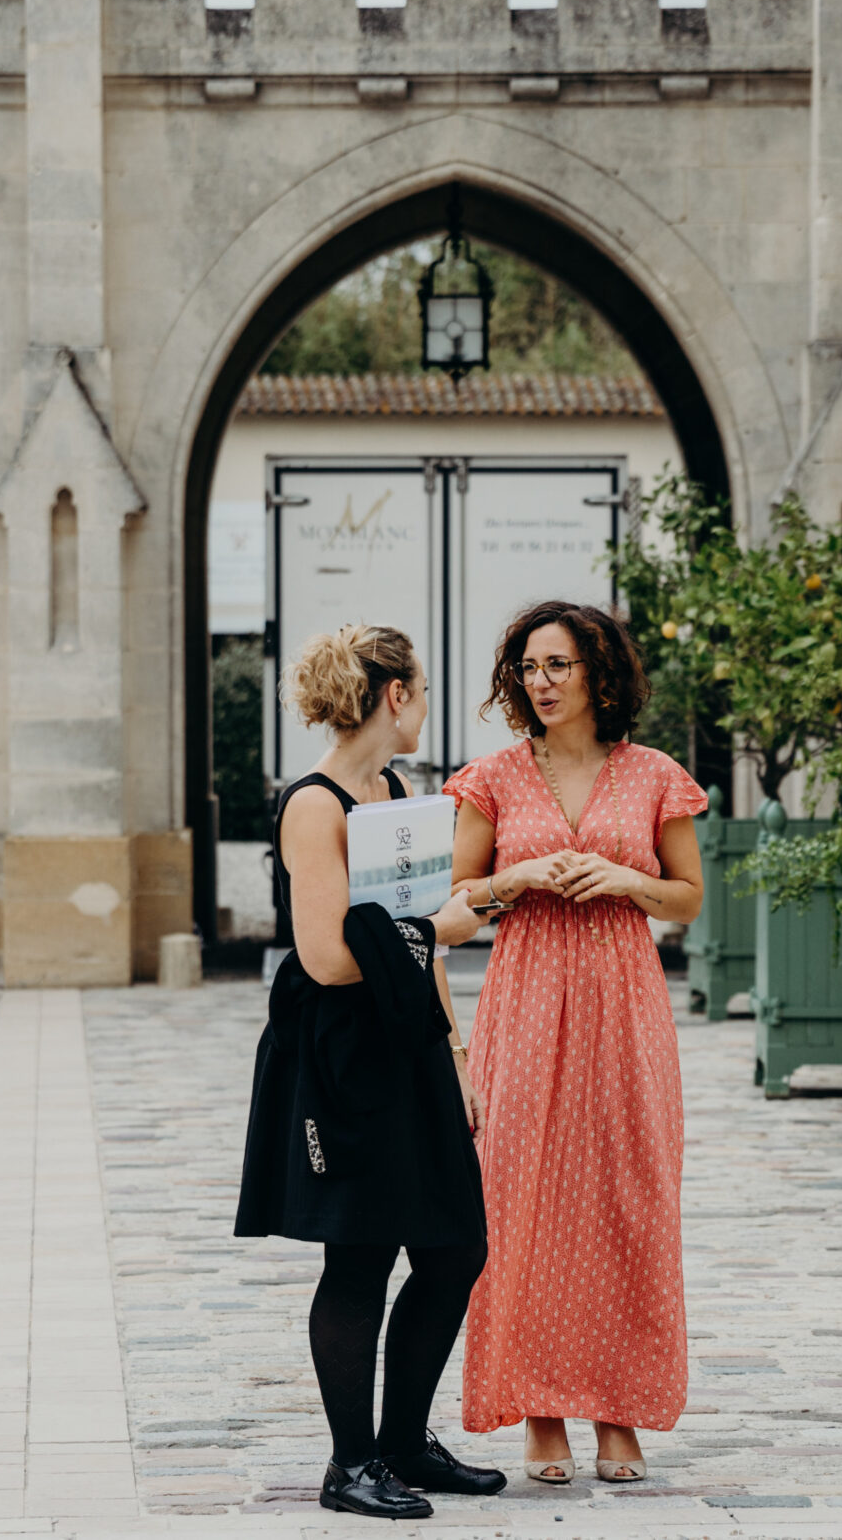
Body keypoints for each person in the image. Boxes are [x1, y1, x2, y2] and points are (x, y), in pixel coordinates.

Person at [234, 624, 508, 1520]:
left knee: (455, 1243)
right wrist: (443, 927)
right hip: (343, 1054)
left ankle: (402, 1444)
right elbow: (325, 957)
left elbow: (402, 925)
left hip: (411, 1042)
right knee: (358, 1257)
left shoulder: (391, 789)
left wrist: (456, 1049)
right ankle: (351, 1464)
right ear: (394, 695)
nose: (427, 704)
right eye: (422, 688)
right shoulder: (312, 804)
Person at [443, 600, 707, 1486]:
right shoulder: (491, 778)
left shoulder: (656, 775)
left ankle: (620, 1411)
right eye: (527, 667)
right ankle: (541, 1409)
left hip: (624, 1007)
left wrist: (629, 878)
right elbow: (455, 905)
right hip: (523, 1002)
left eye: (557, 665)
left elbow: (688, 898)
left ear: (598, 671)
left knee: (626, 1200)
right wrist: (514, 876)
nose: (540, 682)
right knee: (519, 1200)